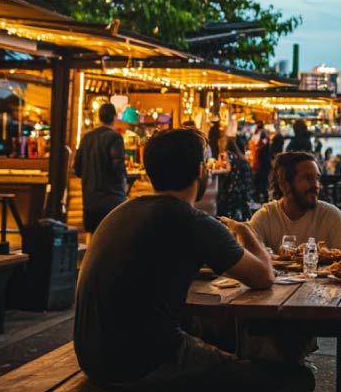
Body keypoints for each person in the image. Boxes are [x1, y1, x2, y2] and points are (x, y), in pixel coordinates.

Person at [74, 128, 313, 392]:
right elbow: (264, 277)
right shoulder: (194, 222)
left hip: (93, 360)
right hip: (145, 364)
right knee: (297, 380)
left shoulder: (120, 212)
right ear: (201, 170)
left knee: (213, 339)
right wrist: (247, 231)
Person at [248, 151, 341, 252]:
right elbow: (249, 260)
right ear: (284, 185)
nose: (316, 185)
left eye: (317, 178)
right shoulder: (266, 217)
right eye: (307, 178)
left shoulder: (331, 217)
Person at [73, 103, 127, 237]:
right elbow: (118, 168)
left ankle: (90, 258)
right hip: (112, 199)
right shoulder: (115, 138)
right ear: (114, 117)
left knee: (92, 237)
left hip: (90, 199)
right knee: (113, 238)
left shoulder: (87, 138)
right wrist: (124, 186)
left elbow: (77, 168)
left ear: (99, 118)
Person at [218, 137, 253, 221]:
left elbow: (226, 170)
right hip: (242, 195)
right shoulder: (244, 161)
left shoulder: (230, 156)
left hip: (232, 194)